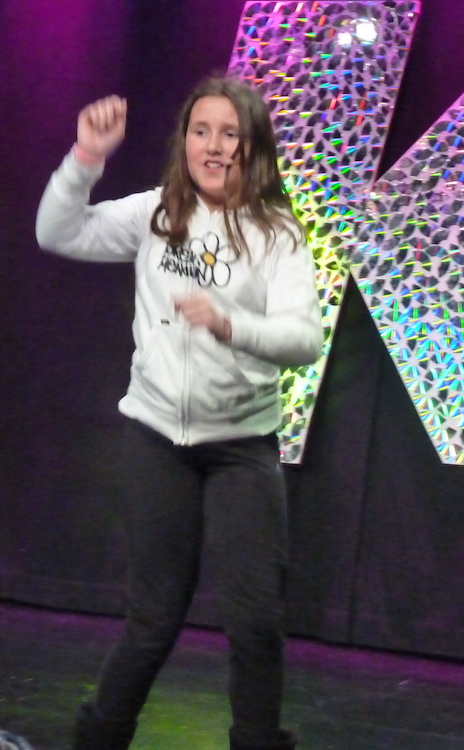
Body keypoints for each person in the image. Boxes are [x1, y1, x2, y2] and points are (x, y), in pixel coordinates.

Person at [35, 76, 323, 750]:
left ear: (252, 147)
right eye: (201, 132)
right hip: (157, 440)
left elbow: (303, 341)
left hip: (241, 448)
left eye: (229, 134)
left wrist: (230, 323)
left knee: (255, 620)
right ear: (184, 142)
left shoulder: (277, 233)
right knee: (154, 617)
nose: (213, 147)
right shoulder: (157, 213)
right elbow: (56, 231)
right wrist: (86, 159)